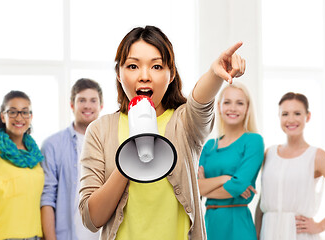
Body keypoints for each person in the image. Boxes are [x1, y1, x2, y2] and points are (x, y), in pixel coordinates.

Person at [78, 25, 246, 240]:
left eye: (156, 66)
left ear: (171, 74)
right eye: (132, 66)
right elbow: (92, 219)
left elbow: (201, 101)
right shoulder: (100, 130)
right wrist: (128, 162)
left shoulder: (184, 123)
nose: (145, 76)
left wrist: (215, 74)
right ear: (119, 74)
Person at [255, 92, 325, 240]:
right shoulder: (269, 153)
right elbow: (263, 199)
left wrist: (320, 226)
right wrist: (257, 232)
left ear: (307, 116)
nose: (291, 119)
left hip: (299, 234)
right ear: (279, 117)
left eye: (297, 113)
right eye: (285, 114)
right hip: (268, 232)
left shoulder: (317, 156)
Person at [0, 90, 44, 240]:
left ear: (31, 117)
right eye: (12, 112)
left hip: (36, 237)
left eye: (24, 112)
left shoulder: (35, 158)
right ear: (3, 116)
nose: (19, 117)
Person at [197, 82, 264, 240]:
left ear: (247, 108)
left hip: (238, 226)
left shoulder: (253, 141)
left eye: (239, 103)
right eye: (227, 102)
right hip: (210, 226)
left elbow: (237, 186)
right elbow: (194, 190)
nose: (232, 108)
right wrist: (225, 179)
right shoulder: (209, 146)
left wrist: (206, 187)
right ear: (219, 106)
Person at [40, 78, 103, 240]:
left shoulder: (112, 144)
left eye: (93, 100)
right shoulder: (52, 145)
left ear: (100, 106)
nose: (87, 106)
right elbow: (47, 198)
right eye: (82, 100)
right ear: (72, 105)